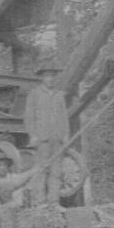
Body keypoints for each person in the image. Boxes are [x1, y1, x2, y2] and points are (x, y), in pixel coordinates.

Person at [23, 59, 70, 205]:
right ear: (42, 77)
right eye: (47, 75)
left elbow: (64, 117)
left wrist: (66, 134)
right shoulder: (35, 94)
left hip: (57, 139)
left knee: (56, 172)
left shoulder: (59, 95)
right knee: (41, 170)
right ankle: (39, 202)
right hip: (42, 139)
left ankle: (53, 201)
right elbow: (28, 117)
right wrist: (33, 135)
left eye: (52, 75)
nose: (50, 78)